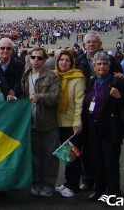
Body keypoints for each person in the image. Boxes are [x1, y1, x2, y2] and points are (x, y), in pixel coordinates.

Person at [82, 52, 124, 201]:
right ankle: (99, 190)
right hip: (93, 127)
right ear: (94, 66)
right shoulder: (91, 82)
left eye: (105, 64)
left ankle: (113, 192)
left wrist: (120, 96)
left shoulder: (119, 82)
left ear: (110, 66)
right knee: (96, 160)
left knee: (110, 161)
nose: (102, 67)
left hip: (111, 127)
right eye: (99, 64)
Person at [21, 47, 61, 197]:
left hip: (48, 121)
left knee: (50, 155)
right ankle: (37, 182)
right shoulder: (25, 76)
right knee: (35, 155)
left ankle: (49, 184)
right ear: (29, 59)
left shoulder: (52, 76)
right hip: (31, 121)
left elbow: (55, 97)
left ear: (45, 60)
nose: (36, 60)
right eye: (33, 57)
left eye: (39, 58)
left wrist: (40, 97)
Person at [54, 50, 86, 198]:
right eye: (61, 60)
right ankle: (67, 183)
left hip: (71, 123)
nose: (64, 63)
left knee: (72, 155)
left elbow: (80, 102)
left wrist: (77, 123)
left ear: (72, 63)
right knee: (64, 155)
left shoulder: (78, 78)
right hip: (57, 121)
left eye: (67, 60)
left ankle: (73, 186)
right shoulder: (55, 76)